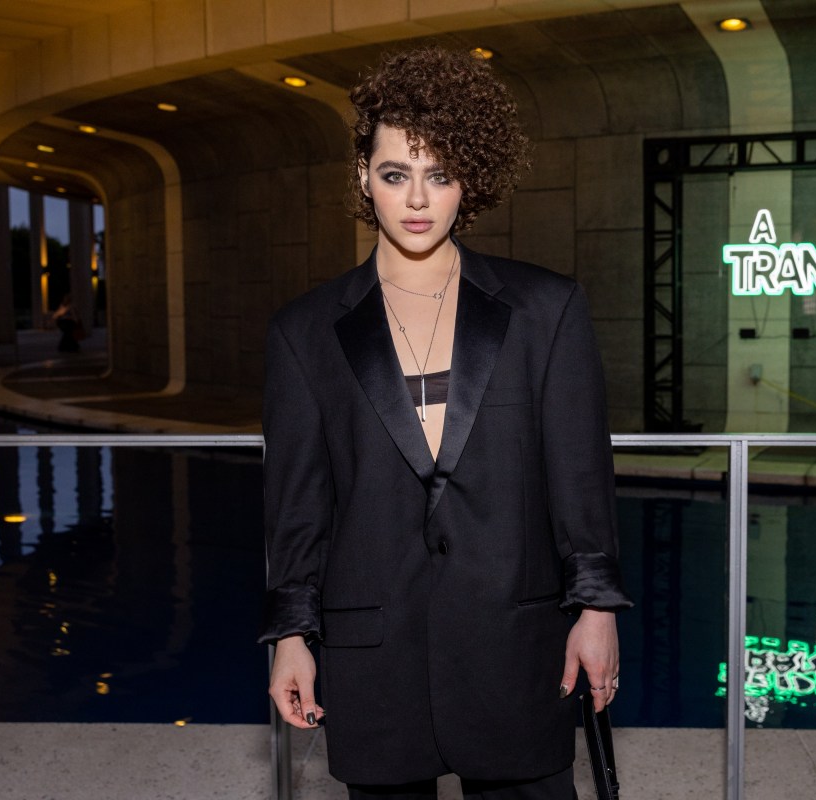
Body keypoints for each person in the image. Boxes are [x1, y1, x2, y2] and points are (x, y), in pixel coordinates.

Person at [261, 46, 632, 800]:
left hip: (517, 643)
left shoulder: (545, 309)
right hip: (375, 651)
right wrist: (290, 636)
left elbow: (579, 474)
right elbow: (297, 503)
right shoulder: (304, 332)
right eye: (396, 173)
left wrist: (596, 610)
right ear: (363, 177)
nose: (418, 198)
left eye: (440, 174)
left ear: (472, 180)